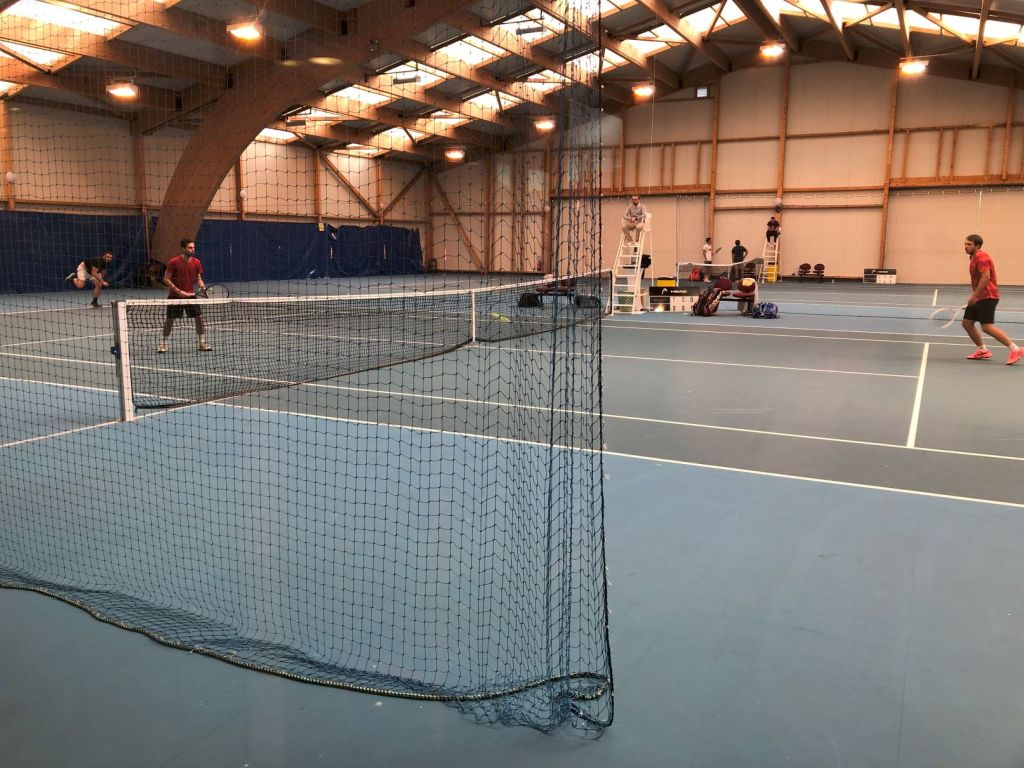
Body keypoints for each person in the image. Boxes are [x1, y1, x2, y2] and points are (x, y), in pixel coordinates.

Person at [961, 234, 1021, 364]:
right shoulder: (973, 257)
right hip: (979, 296)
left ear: (977, 246)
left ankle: (1016, 349)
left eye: (969, 244)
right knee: (967, 323)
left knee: (986, 327)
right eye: (965, 244)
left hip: (988, 296)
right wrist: (975, 296)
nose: (966, 246)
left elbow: (986, 277)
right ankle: (982, 350)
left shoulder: (982, 257)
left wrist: (975, 296)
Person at [159, 237, 212, 353]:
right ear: (183, 248)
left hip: (190, 295)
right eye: (189, 248)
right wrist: (178, 291)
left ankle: (202, 343)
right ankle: (164, 344)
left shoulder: (197, 262)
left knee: (199, 318)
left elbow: (198, 279)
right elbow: (166, 279)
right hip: (175, 296)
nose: (192, 249)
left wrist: (202, 288)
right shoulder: (173, 262)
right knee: (169, 320)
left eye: (193, 247)